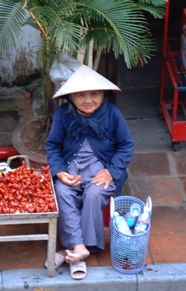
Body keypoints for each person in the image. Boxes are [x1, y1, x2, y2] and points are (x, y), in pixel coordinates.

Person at [45, 65, 134, 279]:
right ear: (72, 96)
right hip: (71, 167)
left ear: (101, 94)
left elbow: (126, 145)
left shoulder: (112, 113)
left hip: (101, 168)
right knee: (63, 192)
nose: (88, 100)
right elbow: (53, 146)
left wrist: (111, 172)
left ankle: (75, 250)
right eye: (81, 95)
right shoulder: (63, 115)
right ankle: (79, 248)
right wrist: (59, 172)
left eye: (94, 94)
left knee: (94, 194)